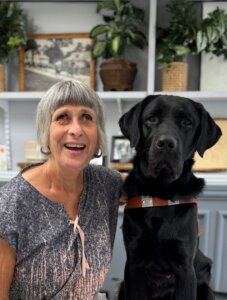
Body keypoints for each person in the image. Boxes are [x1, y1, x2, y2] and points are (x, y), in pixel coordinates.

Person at [0, 80, 123, 300]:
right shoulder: (12, 203)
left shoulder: (107, 184)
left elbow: (150, 190)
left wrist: (182, 198)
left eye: (86, 117)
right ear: (46, 131)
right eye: (62, 117)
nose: (76, 129)